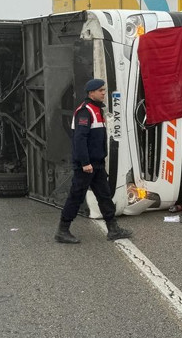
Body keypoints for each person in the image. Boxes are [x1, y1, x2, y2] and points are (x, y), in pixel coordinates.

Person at [56, 79, 133, 244]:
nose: (104, 93)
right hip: (86, 166)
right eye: (100, 91)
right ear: (91, 93)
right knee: (76, 197)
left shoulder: (97, 110)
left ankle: (113, 229)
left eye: (104, 90)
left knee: (105, 196)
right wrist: (85, 162)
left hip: (96, 164)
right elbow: (80, 139)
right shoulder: (85, 112)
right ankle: (62, 231)